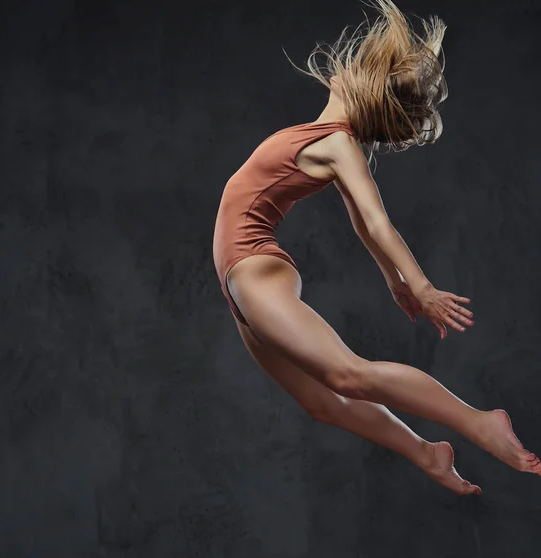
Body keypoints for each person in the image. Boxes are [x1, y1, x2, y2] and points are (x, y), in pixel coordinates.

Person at [211, 0, 540, 495]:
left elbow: (378, 221)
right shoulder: (325, 138)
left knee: (348, 375)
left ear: (365, 84)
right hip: (235, 280)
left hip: (255, 268)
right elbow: (362, 227)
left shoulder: (339, 144)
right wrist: (395, 283)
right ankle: (427, 454)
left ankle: (479, 423)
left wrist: (422, 286)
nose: (346, 64)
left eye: (362, 64)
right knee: (323, 404)